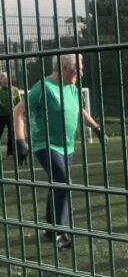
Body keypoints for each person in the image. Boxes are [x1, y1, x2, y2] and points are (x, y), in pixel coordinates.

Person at [13, 54, 105, 250]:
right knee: (63, 181)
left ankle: (49, 228)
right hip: (45, 145)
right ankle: (62, 232)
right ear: (64, 68)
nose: (81, 72)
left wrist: (96, 127)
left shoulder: (71, 87)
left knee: (58, 183)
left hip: (67, 146)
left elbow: (79, 109)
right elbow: (18, 111)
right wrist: (21, 140)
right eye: (77, 69)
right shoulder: (43, 87)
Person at [0, 72, 22, 156]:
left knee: (11, 134)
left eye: (7, 79)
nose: (5, 81)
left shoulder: (15, 90)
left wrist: (19, 114)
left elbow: (19, 103)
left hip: (11, 115)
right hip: (1, 116)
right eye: (3, 79)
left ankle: (11, 152)